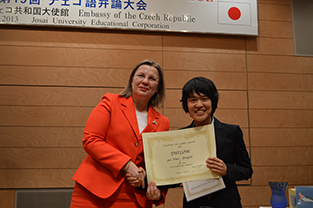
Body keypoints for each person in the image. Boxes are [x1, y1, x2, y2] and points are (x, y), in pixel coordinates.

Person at [70, 59, 170, 208]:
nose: (145, 81)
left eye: (152, 79)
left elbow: (158, 165)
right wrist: (127, 165)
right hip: (93, 193)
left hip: (134, 197)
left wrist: (154, 188)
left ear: (158, 87)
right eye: (140, 75)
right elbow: (91, 140)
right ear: (132, 80)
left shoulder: (163, 122)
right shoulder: (110, 102)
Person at [178, 76, 253, 208]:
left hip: (226, 203)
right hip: (193, 204)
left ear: (213, 102)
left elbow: (247, 170)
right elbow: (171, 174)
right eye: (193, 100)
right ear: (186, 105)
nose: (199, 105)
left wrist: (227, 169)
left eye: (204, 99)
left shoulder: (232, 132)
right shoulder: (180, 136)